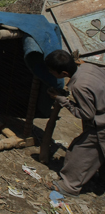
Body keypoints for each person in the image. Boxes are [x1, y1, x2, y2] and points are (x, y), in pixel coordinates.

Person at [45, 50, 105, 197]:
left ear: (64, 72)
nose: (52, 74)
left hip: (101, 124)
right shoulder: (88, 67)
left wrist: (62, 100)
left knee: (81, 151)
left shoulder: (78, 86)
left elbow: (86, 114)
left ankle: (69, 186)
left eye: (53, 72)